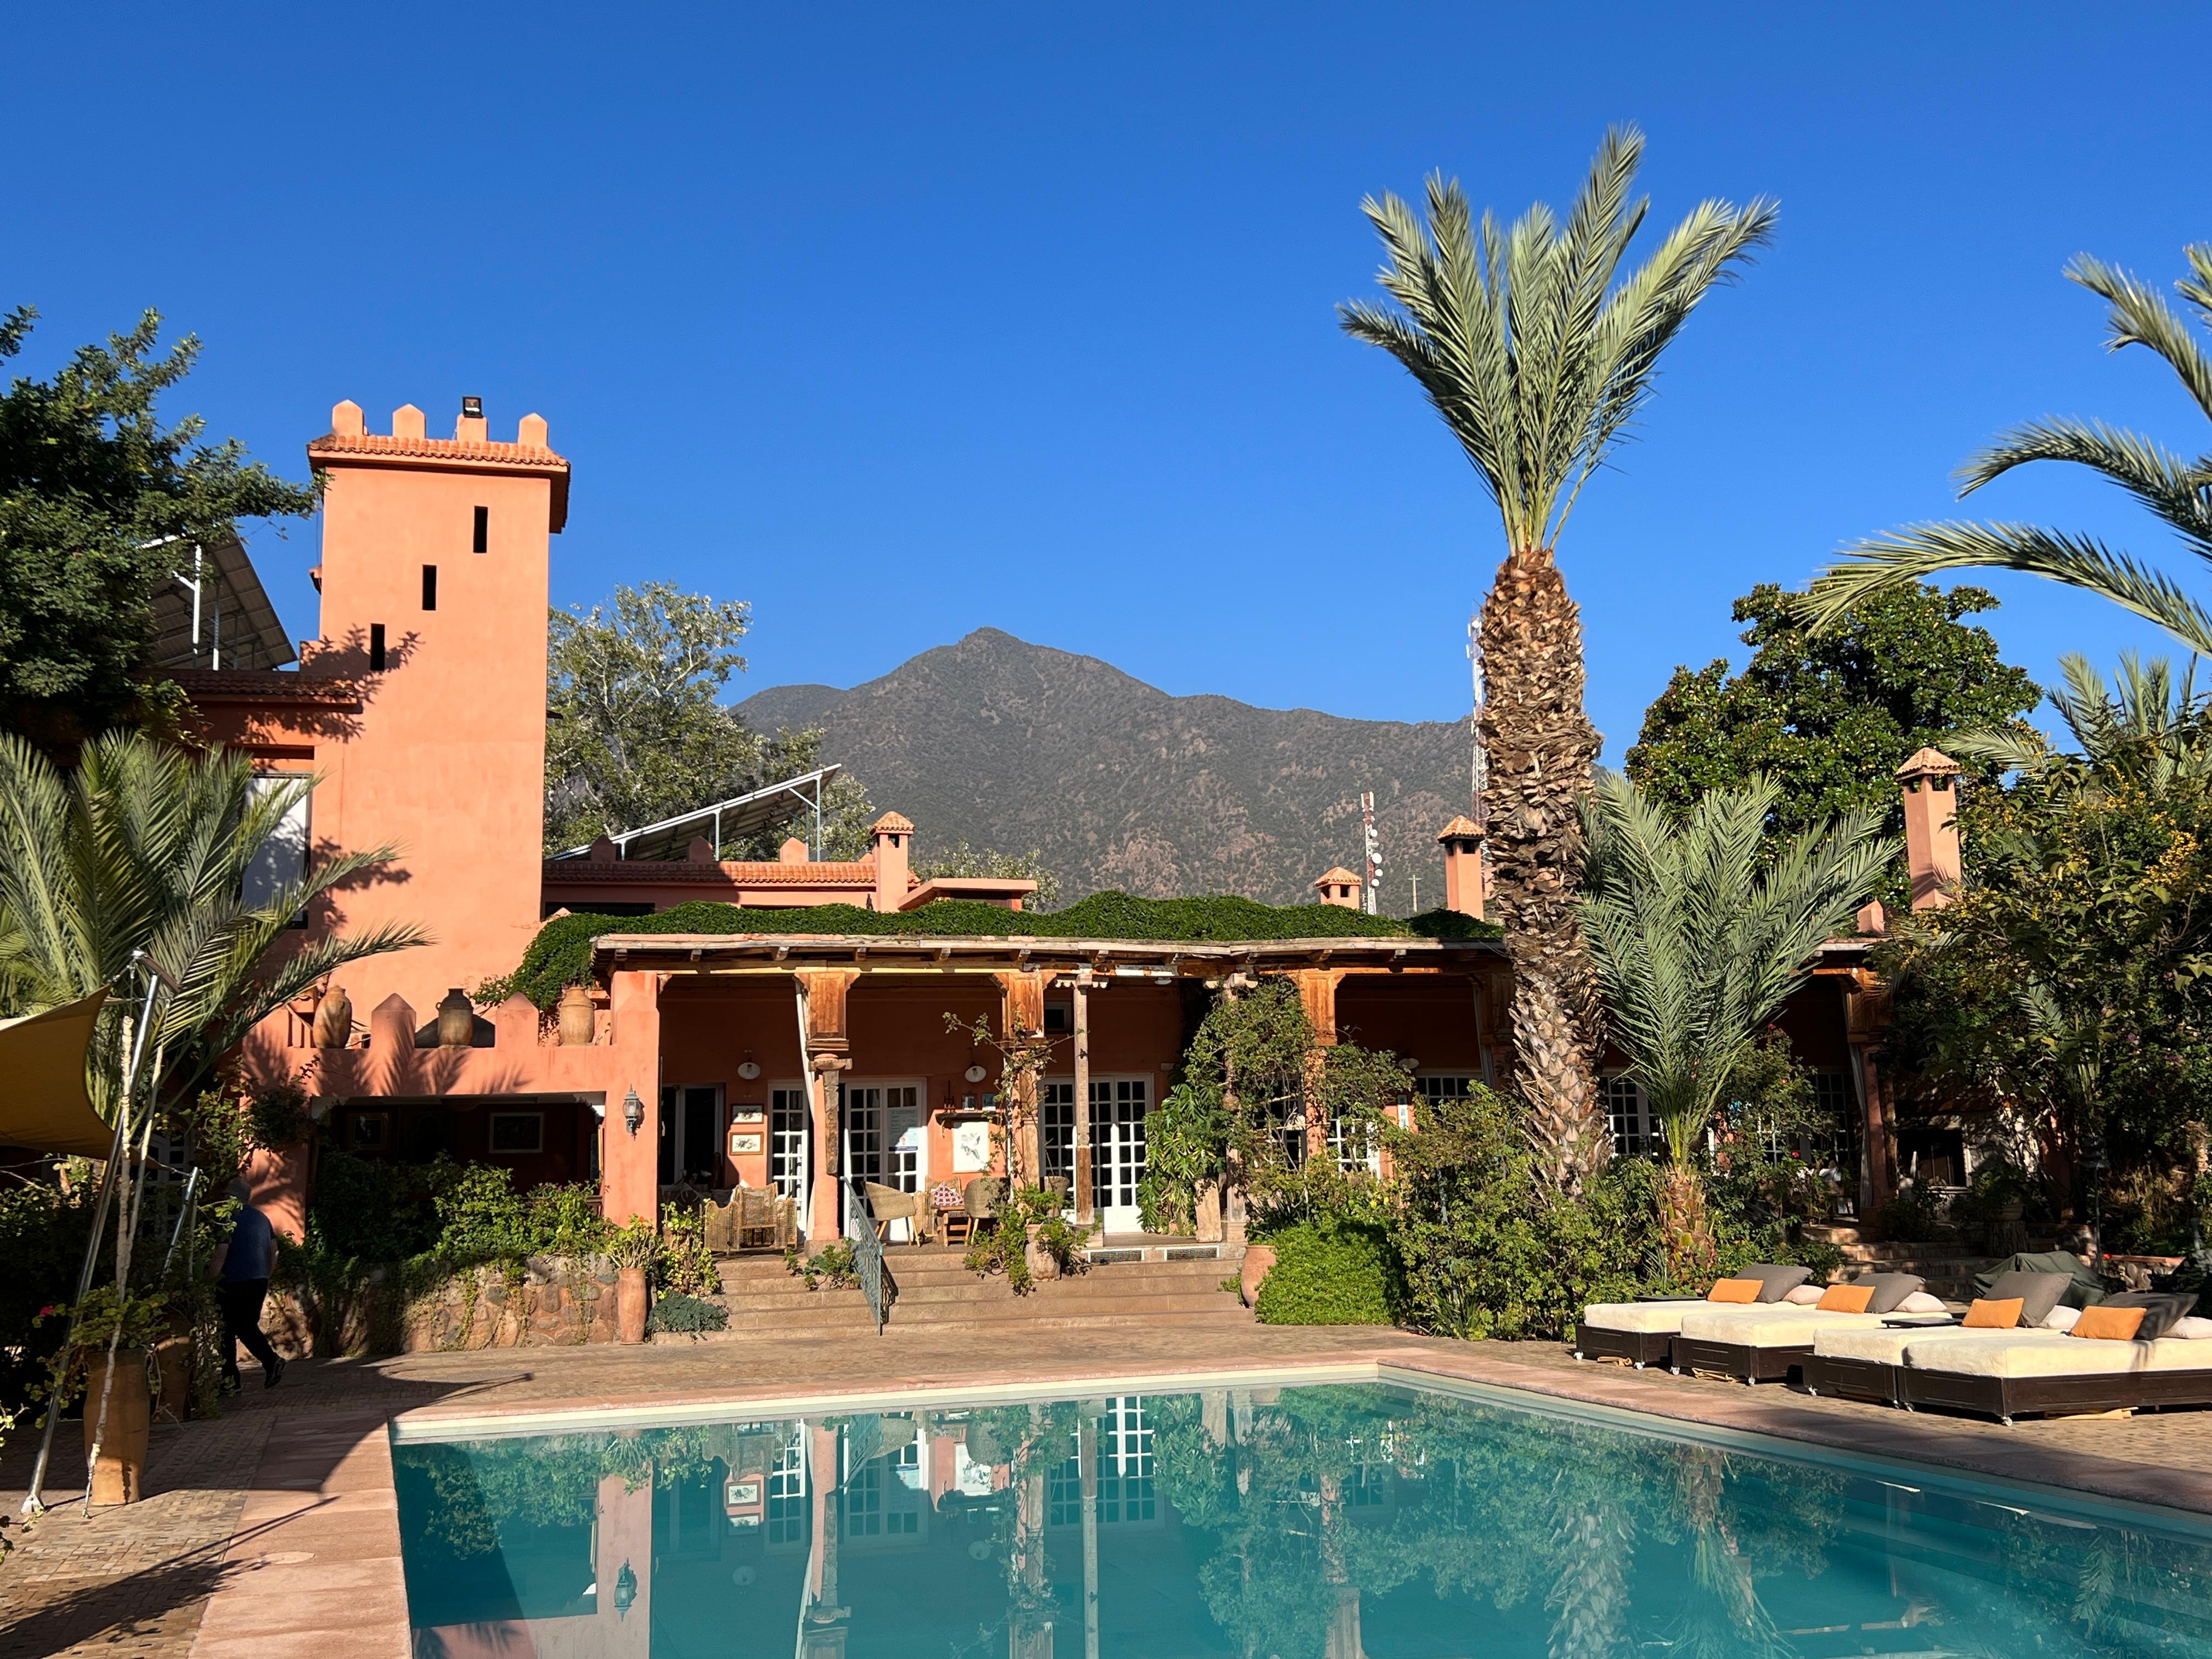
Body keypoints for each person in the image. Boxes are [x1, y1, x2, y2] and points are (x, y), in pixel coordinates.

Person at [208, 1176, 285, 1391]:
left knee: (232, 1328)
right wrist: (266, 1275)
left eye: (224, 1195)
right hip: (258, 1281)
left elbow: (220, 1254)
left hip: (234, 1282)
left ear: (231, 1197)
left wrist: (210, 1281)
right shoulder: (262, 1218)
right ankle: (231, 1379)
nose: (222, 1199)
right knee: (240, 1327)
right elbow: (275, 1252)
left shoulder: (227, 1218)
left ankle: (268, 1361)